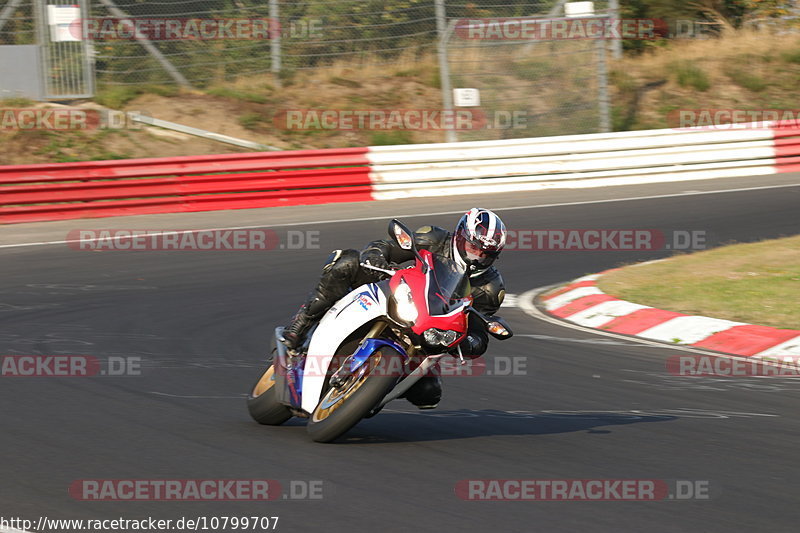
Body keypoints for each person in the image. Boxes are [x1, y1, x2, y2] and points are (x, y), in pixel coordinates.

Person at [281, 207, 508, 409]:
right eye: (473, 248)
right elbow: (389, 247)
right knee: (347, 262)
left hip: (428, 335)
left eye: (486, 254)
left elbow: (481, 330)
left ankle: (371, 392)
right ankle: (300, 324)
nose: (477, 257)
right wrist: (376, 256)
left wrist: (471, 341)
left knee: (428, 394)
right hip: (398, 295)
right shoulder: (434, 238)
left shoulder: (490, 288)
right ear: (460, 237)